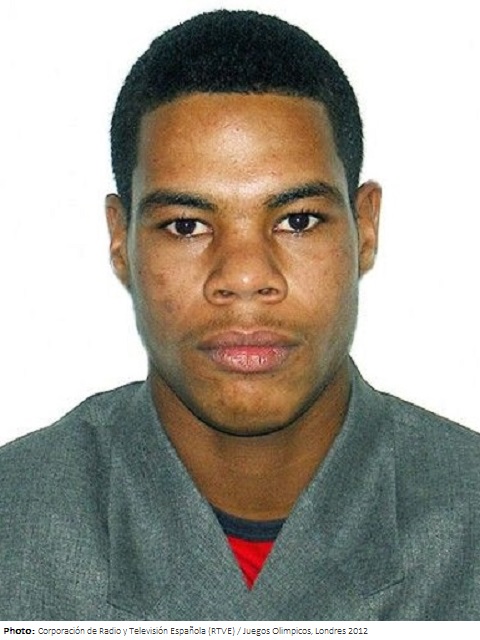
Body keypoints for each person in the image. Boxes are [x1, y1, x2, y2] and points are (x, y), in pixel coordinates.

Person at [0, 9, 479, 621]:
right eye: (187, 225)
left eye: (298, 220)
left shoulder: (467, 519)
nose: (246, 277)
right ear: (121, 240)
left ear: (366, 227)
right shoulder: (16, 524)